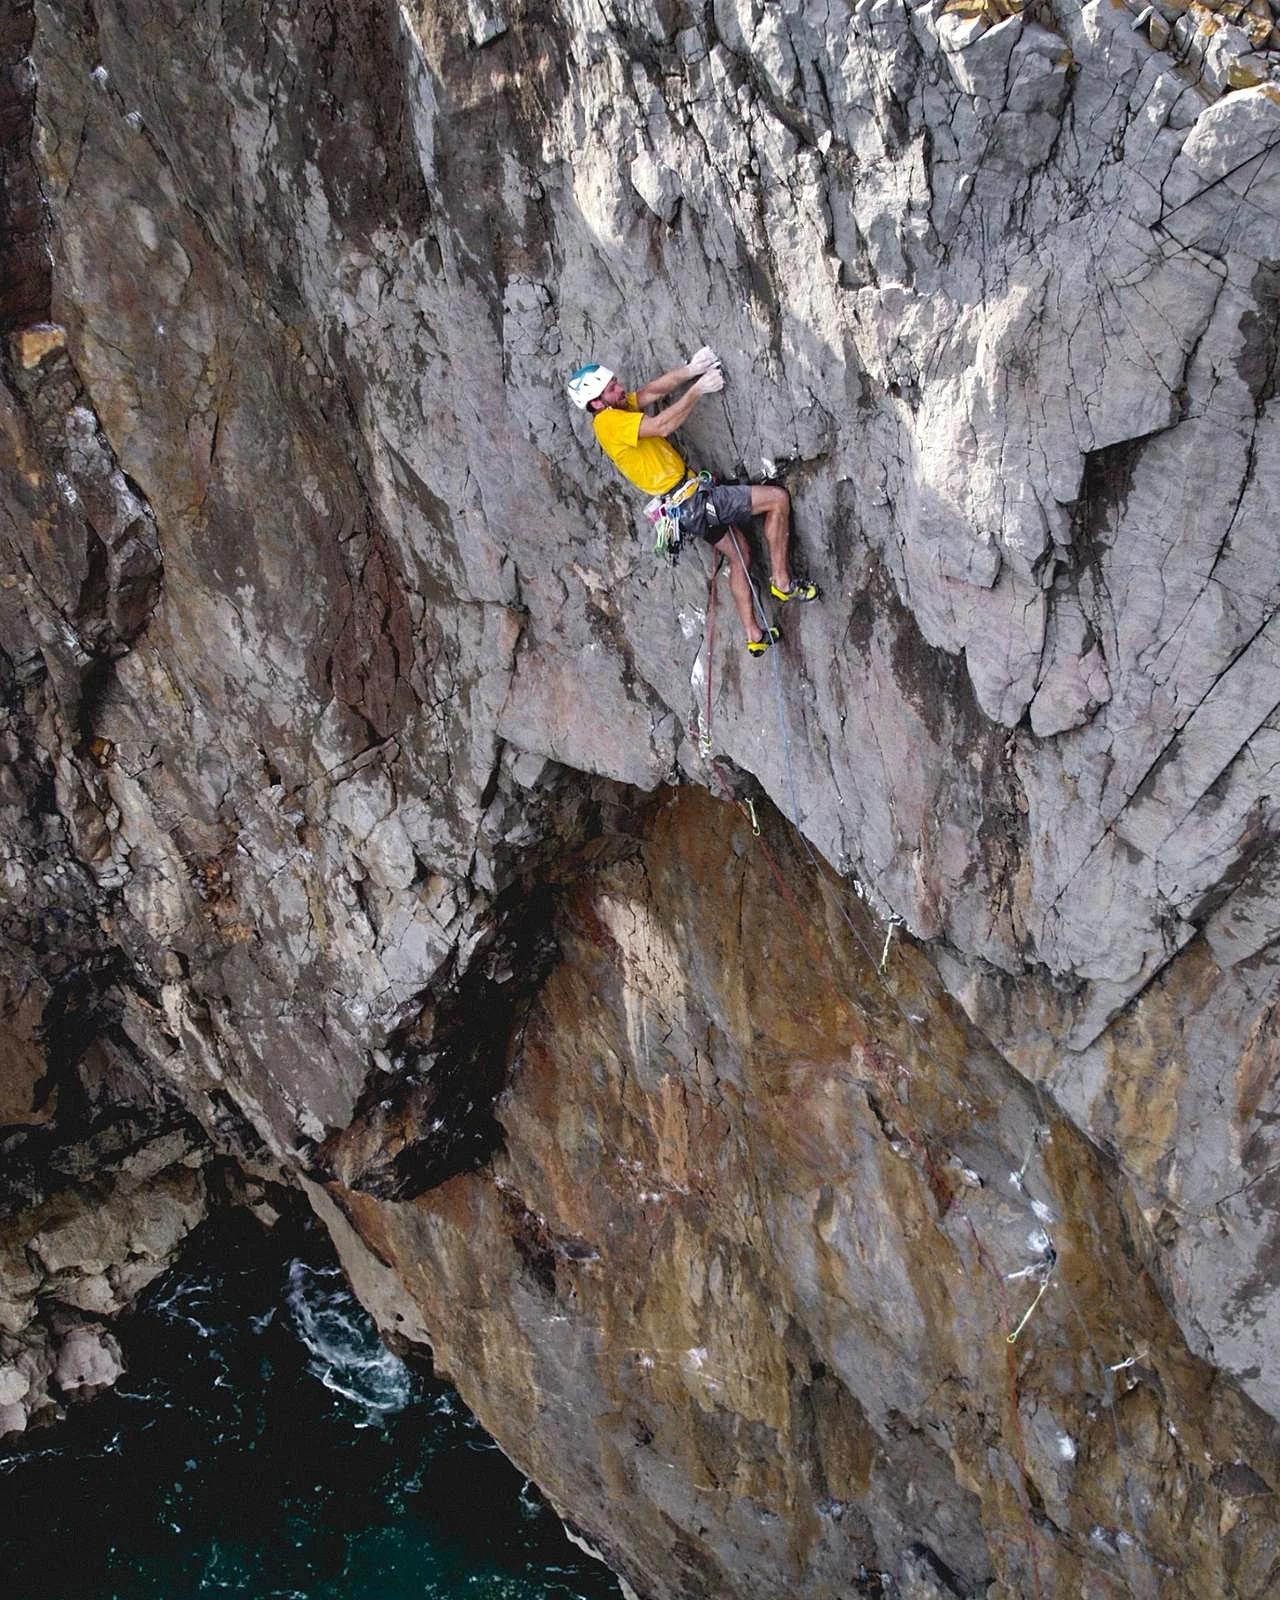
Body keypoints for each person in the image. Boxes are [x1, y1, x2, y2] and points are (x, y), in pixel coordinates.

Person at [566, 349, 818, 657]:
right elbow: (660, 427)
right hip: (694, 501)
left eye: (615, 383)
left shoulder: (618, 410)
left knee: (741, 556)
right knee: (777, 500)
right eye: (611, 389)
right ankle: (783, 581)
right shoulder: (608, 423)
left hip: (685, 508)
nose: (620, 389)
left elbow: (654, 390)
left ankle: (754, 634)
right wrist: (699, 389)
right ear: (596, 402)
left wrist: (690, 370)